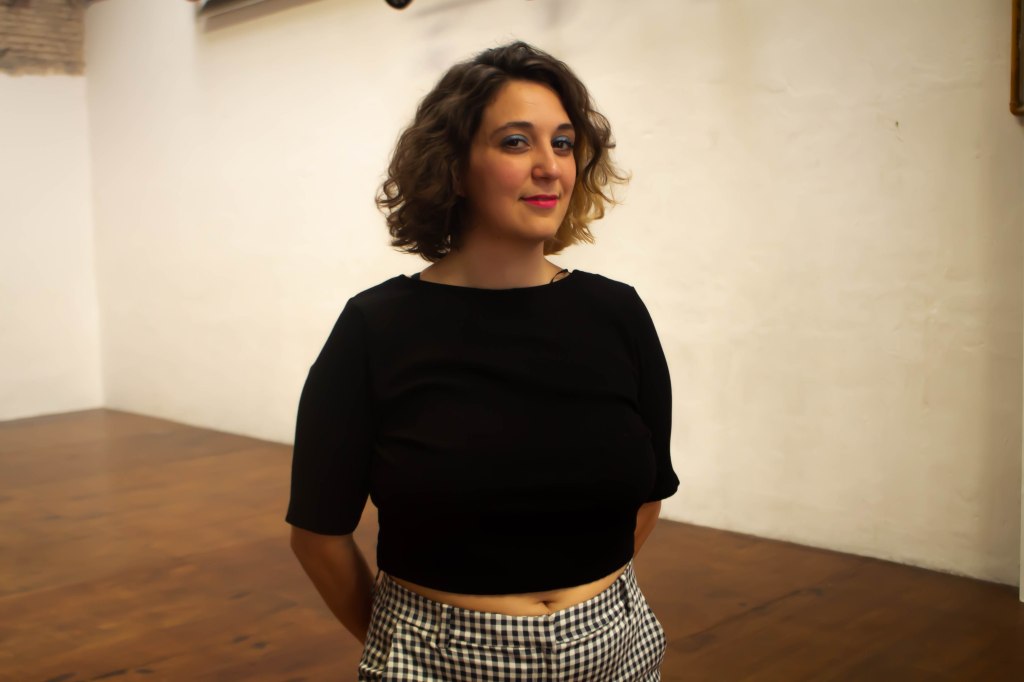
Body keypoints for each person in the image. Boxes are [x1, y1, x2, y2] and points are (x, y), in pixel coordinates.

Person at [286, 40, 679, 681]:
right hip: (437, 657)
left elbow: (648, 496)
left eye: (563, 143)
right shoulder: (375, 327)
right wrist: (404, 644)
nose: (550, 167)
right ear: (454, 168)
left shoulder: (618, 313)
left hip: (614, 645)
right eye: (516, 142)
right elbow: (317, 534)